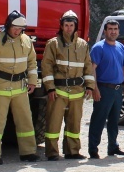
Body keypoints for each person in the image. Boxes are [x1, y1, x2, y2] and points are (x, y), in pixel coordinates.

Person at [0, 10, 39, 165]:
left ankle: (28, 152)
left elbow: (32, 62)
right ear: (8, 25)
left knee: (25, 121)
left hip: (20, 88)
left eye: (20, 29)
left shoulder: (26, 40)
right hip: (0, 87)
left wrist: (33, 80)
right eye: (15, 27)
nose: (17, 31)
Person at [41, 10, 95, 161]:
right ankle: (52, 152)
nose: (69, 28)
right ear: (62, 26)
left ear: (75, 26)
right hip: (58, 91)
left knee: (74, 124)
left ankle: (72, 151)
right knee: (53, 123)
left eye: (71, 25)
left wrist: (90, 86)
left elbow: (88, 67)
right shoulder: (53, 44)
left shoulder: (83, 45)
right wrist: (50, 88)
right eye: (66, 25)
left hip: (77, 91)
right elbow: (47, 67)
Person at [88, 17, 124, 158]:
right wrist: (95, 88)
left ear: (118, 31)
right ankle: (93, 149)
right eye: (110, 29)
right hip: (103, 89)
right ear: (105, 31)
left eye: (115, 29)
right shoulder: (98, 48)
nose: (113, 32)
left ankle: (113, 147)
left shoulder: (121, 47)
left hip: (118, 90)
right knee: (98, 120)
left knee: (114, 121)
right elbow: (92, 69)